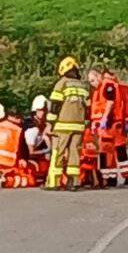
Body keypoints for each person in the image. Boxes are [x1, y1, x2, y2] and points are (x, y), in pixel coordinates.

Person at [46, 56, 91, 191]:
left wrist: (50, 123)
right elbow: (88, 107)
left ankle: (54, 182)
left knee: (57, 153)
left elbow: (55, 104)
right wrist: (86, 123)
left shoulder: (62, 83)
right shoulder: (83, 85)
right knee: (74, 153)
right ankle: (74, 182)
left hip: (62, 125)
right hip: (79, 125)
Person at [88, 68, 119, 188]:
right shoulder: (97, 90)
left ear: (99, 77)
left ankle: (109, 179)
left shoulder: (106, 86)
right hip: (98, 124)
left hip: (106, 124)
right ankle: (106, 178)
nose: (92, 83)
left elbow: (110, 102)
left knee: (106, 151)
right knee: (102, 152)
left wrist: (104, 118)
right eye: (90, 81)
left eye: (93, 80)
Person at [24, 95, 52, 181]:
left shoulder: (44, 126)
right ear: (34, 111)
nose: (43, 113)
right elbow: (31, 152)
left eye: (44, 110)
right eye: (40, 110)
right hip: (25, 158)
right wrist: (47, 150)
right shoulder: (32, 129)